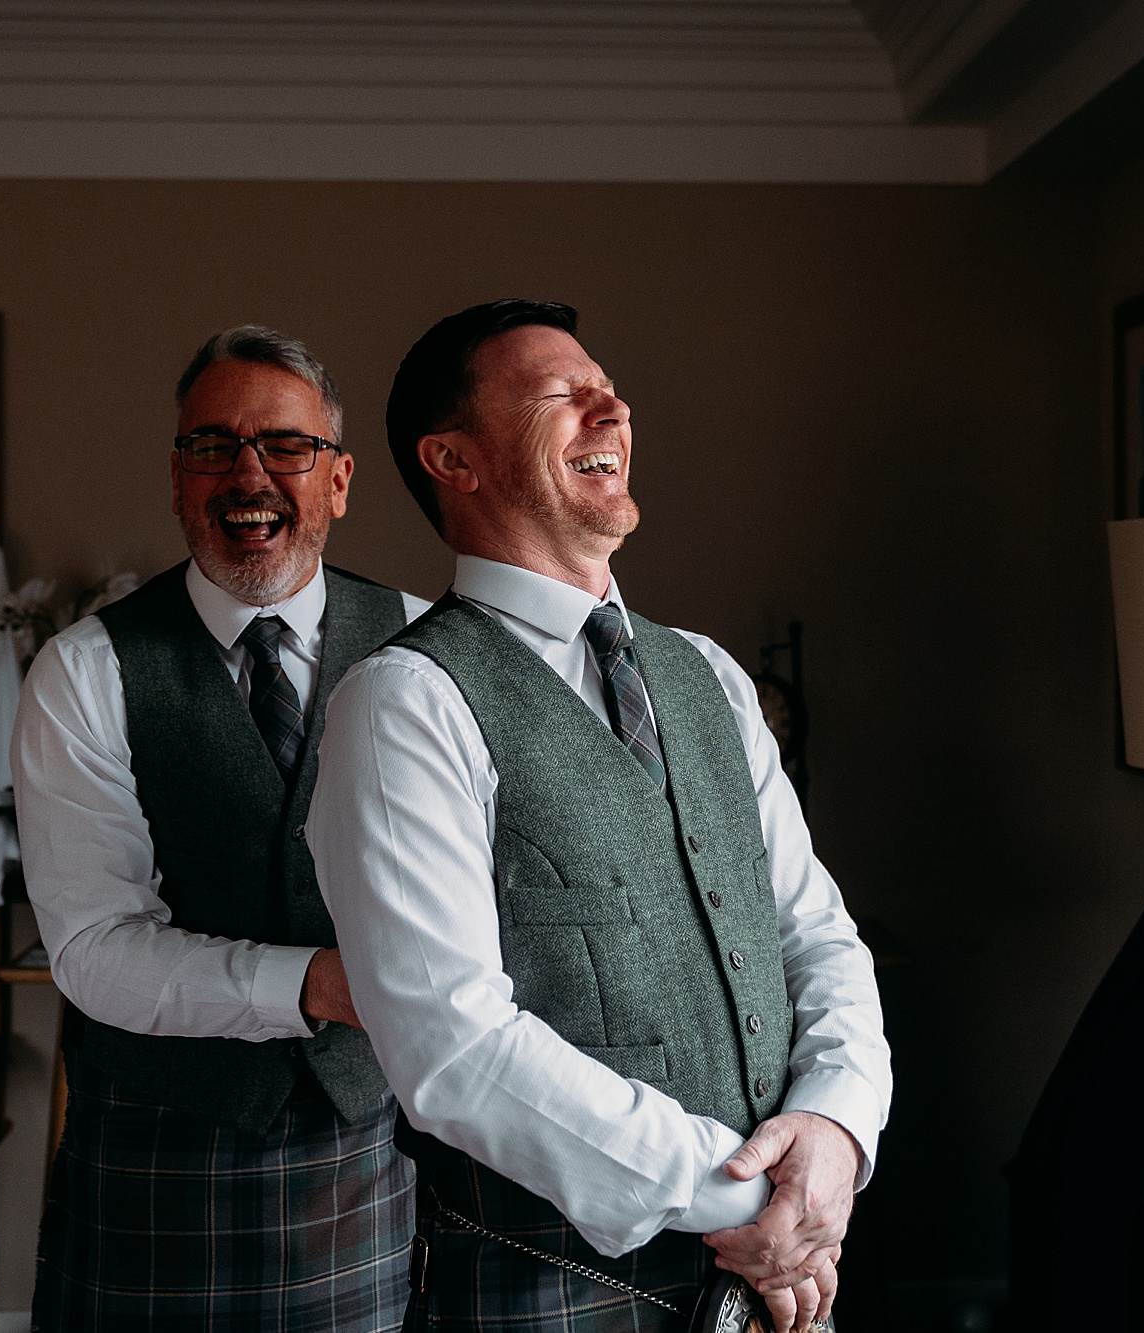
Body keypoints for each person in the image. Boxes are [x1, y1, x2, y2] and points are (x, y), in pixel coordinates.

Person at [308, 300, 891, 1333]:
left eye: (606, 387)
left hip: (781, 1282)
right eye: (559, 394)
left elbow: (814, 936)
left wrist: (836, 1138)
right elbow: (452, 1047)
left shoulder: (706, 673)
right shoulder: (403, 701)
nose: (610, 405)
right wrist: (745, 1202)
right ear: (453, 459)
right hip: (551, 1294)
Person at [14, 326, 429, 1331]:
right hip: (156, 1157)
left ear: (337, 480)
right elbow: (92, 951)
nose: (247, 474)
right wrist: (314, 985)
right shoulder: (85, 670)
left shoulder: (425, 648)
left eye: (285, 445)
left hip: (368, 1146)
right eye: (212, 445)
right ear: (176, 479)